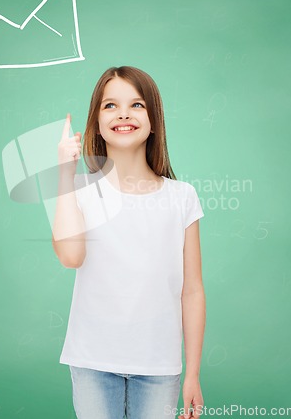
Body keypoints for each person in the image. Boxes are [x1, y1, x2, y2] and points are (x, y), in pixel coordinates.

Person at [52, 66, 206, 419]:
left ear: (154, 120)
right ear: (96, 122)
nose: (123, 113)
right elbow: (71, 256)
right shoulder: (79, 190)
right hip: (92, 361)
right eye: (110, 106)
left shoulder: (181, 197)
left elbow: (192, 290)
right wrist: (64, 173)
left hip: (159, 366)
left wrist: (193, 373)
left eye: (136, 104)